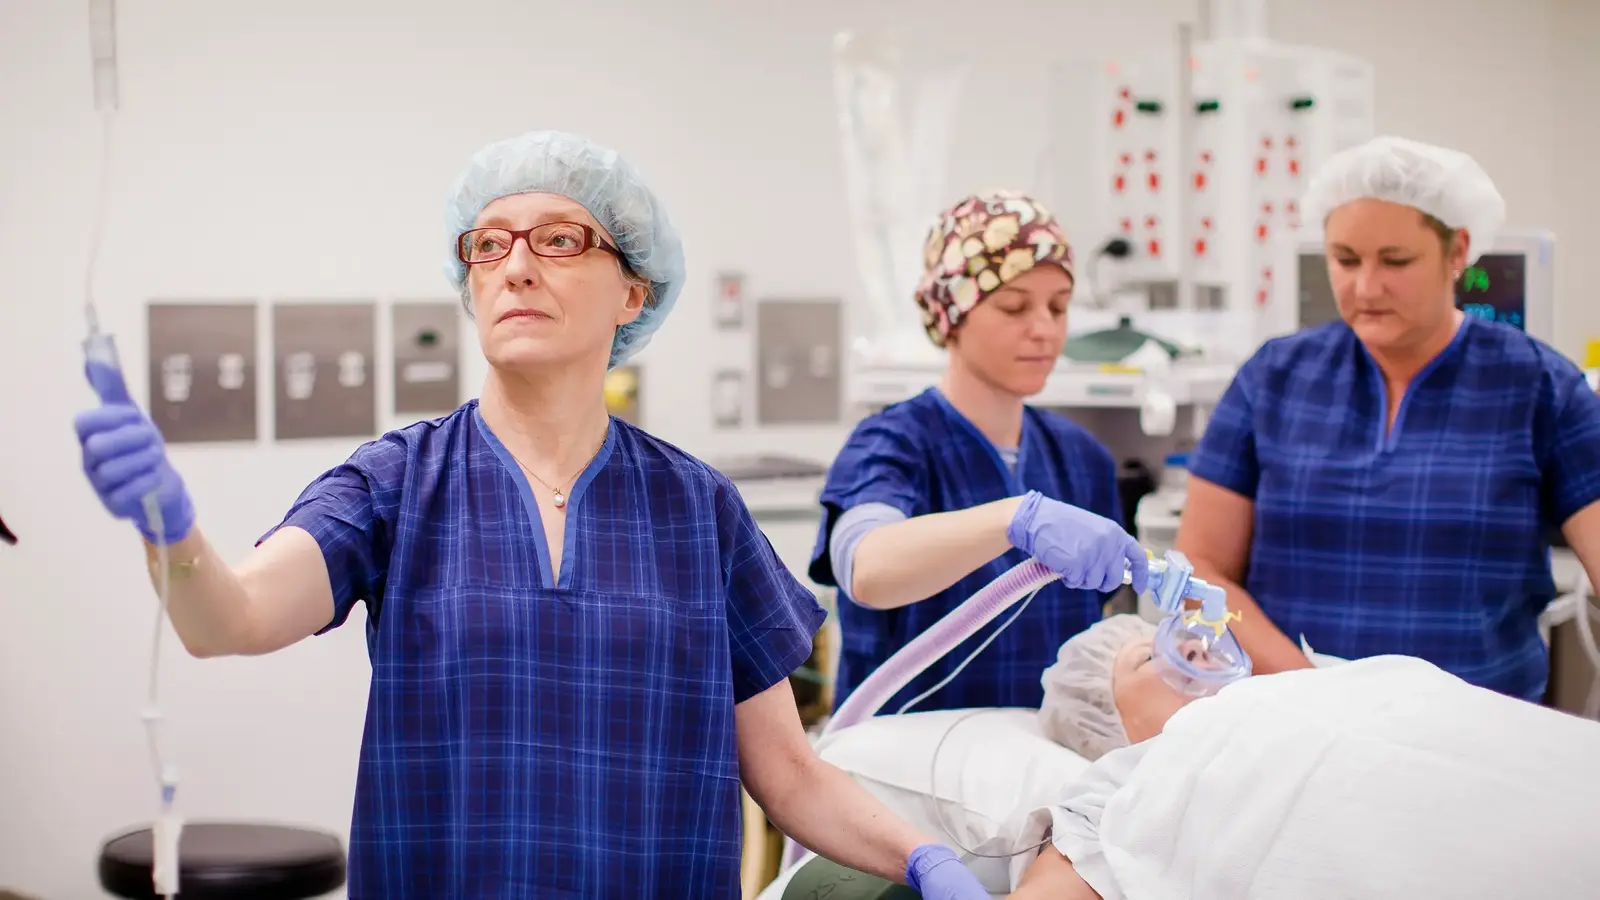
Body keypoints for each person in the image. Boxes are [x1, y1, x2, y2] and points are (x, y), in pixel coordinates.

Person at [72, 130, 994, 899]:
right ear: (469, 282)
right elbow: (229, 618)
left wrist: (920, 855)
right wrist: (170, 530)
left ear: (634, 290)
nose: (516, 264)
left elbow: (788, 775)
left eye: (559, 240)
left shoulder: (698, 509)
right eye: (490, 243)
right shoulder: (399, 483)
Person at [1175, 135, 1600, 699]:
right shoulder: (1274, 379)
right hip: (1294, 720)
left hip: (1475, 733)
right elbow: (1201, 563)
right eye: (1345, 260)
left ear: (1457, 252)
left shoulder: (1539, 387)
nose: (1365, 287)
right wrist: (1307, 690)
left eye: (1396, 261)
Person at [809, 190, 1150, 715]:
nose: (1045, 328)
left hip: (1042, 769)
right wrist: (1014, 519)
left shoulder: (1082, 459)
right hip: (905, 774)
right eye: (1014, 306)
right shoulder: (892, 443)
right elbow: (865, 567)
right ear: (952, 314)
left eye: (1059, 307)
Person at [1011, 615, 1600, 899]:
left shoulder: (1335, 679)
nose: (1188, 644)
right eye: (1146, 660)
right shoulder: (1137, 778)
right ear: (1110, 722)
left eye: (1177, 633)